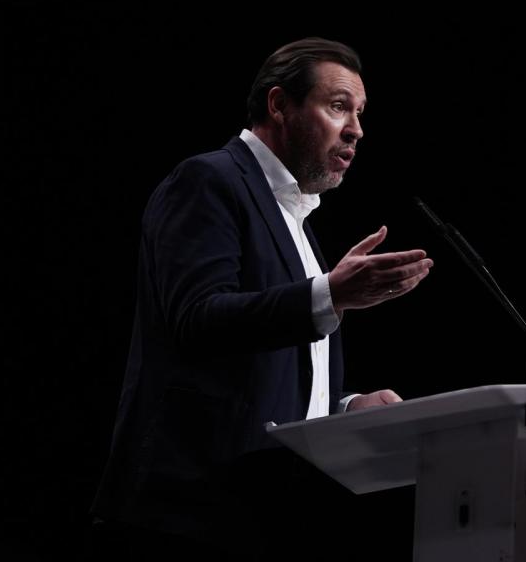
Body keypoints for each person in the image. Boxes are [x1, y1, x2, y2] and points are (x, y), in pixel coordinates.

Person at [90, 38, 433, 558]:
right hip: (184, 514)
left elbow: (265, 376)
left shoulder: (297, 222)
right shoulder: (209, 180)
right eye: (338, 106)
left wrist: (345, 408)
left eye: (360, 113)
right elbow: (197, 320)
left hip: (264, 517)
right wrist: (330, 294)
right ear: (279, 104)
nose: (356, 129)